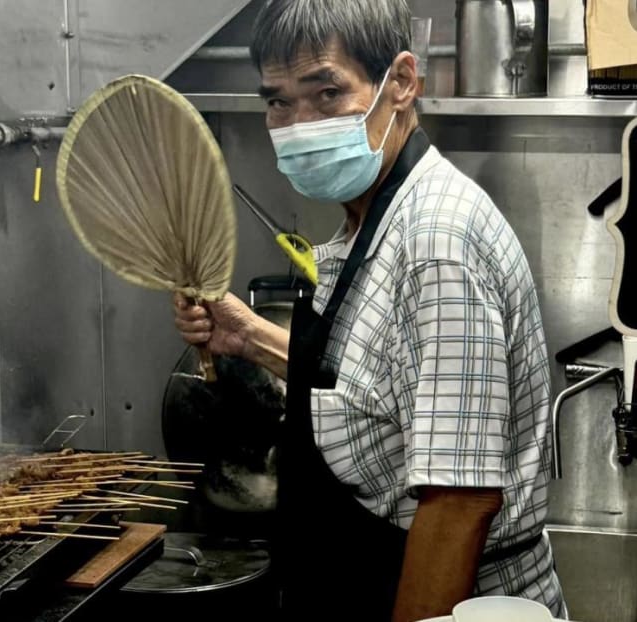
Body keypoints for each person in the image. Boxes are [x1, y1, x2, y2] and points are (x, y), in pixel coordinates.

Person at [173, 0, 566, 619]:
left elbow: (458, 503)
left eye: (326, 92)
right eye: (278, 101)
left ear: (402, 83)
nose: (299, 122)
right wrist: (249, 337)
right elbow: (377, 395)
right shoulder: (372, 221)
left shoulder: (437, 243)